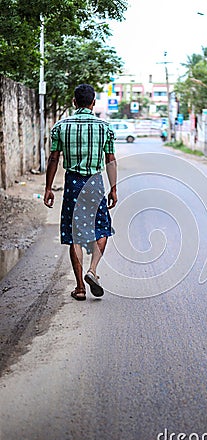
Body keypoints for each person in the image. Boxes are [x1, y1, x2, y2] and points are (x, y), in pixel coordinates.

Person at [44, 83, 117, 301]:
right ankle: (92, 270)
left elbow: (54, 159)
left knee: (75, 233)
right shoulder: (105, 128)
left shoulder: (61, 126)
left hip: (73, 184)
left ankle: (80, 288)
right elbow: (110, 160)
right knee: (102, 228)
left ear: (74, 102)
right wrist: (113, 189)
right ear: (93, 103)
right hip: (95, 183)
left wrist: (48, 188)